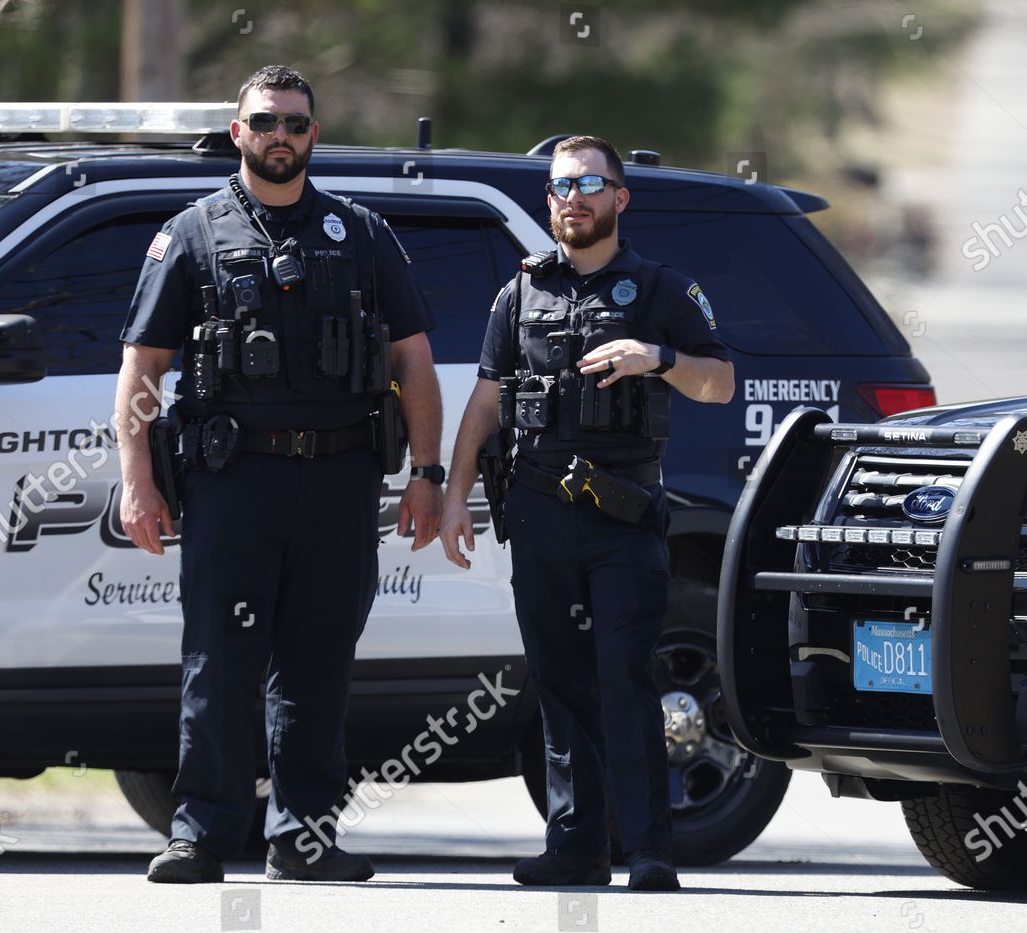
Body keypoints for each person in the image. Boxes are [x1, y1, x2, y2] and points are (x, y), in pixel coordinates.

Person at [115, 65, 443, 884]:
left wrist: (428, 474)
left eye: (295, 123)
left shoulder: (361, 233)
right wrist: (137, 479)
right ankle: (200, 833)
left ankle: (304, 834)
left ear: (314, 136)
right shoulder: (192, 234)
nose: (281, 135)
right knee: (219, 659)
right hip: (234, 482)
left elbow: (414, 361)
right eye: (265, 121)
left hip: (339, 481)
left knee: (317, 662)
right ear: (239, 133)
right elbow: (143, 367)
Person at [438, 135, 734, 891]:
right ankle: (574, 846)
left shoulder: (662, 289)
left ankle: (648, 850)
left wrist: (657, 358)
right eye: (562, 185)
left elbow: (720, 383)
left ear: (620, 198)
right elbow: (488, 398)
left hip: (623, 516)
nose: (574, 196)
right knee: (560, 681)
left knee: (623, 676)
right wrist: (453, 495)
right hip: (538, 513)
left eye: (591, 183)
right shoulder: (520, 293)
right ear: (550, 200)